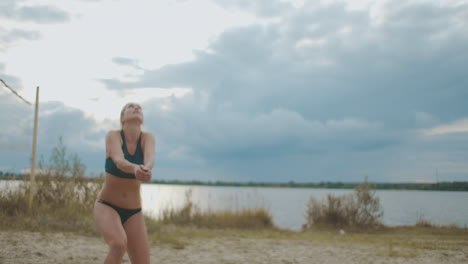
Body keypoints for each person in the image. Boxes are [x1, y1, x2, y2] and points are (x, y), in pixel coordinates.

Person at [94, 102, 155, 264]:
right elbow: (119, 161)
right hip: (107, 205)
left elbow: (149, 160)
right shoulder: (113, 136)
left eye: (139, 107)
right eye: (130, 107)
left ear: (142, 118)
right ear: (122, 118)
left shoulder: (148, 138)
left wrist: (146, 170)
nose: (136, 108)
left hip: (134, 212)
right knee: (118, 245)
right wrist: (135, 168)